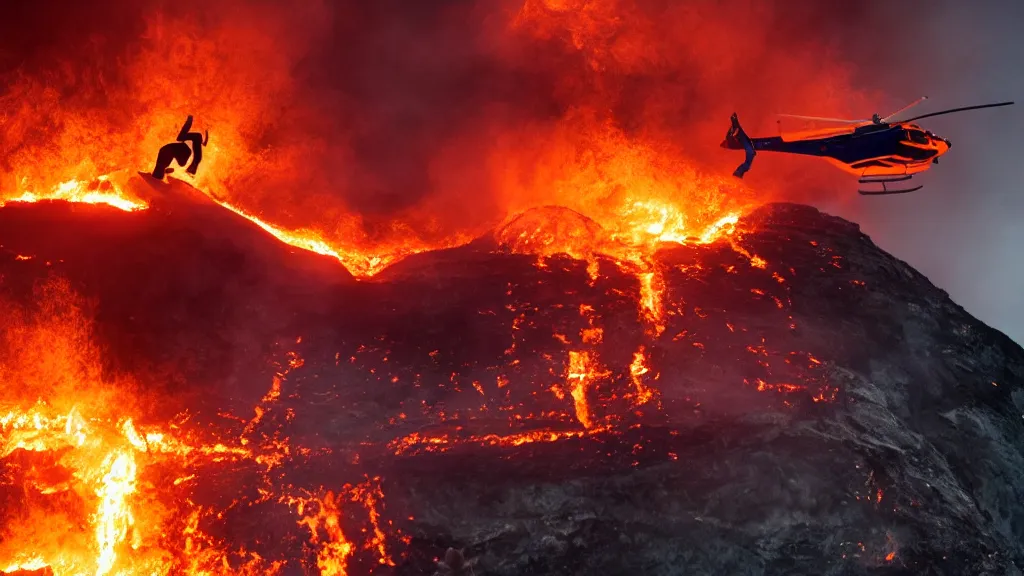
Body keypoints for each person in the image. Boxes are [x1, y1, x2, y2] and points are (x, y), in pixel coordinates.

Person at [150, 115, 209, 179]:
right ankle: (191, 169)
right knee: (195, 138)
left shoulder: (164, 161)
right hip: (176, 150)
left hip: (176, 150)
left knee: (184, 161)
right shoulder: (165, 162)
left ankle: (191, 169)